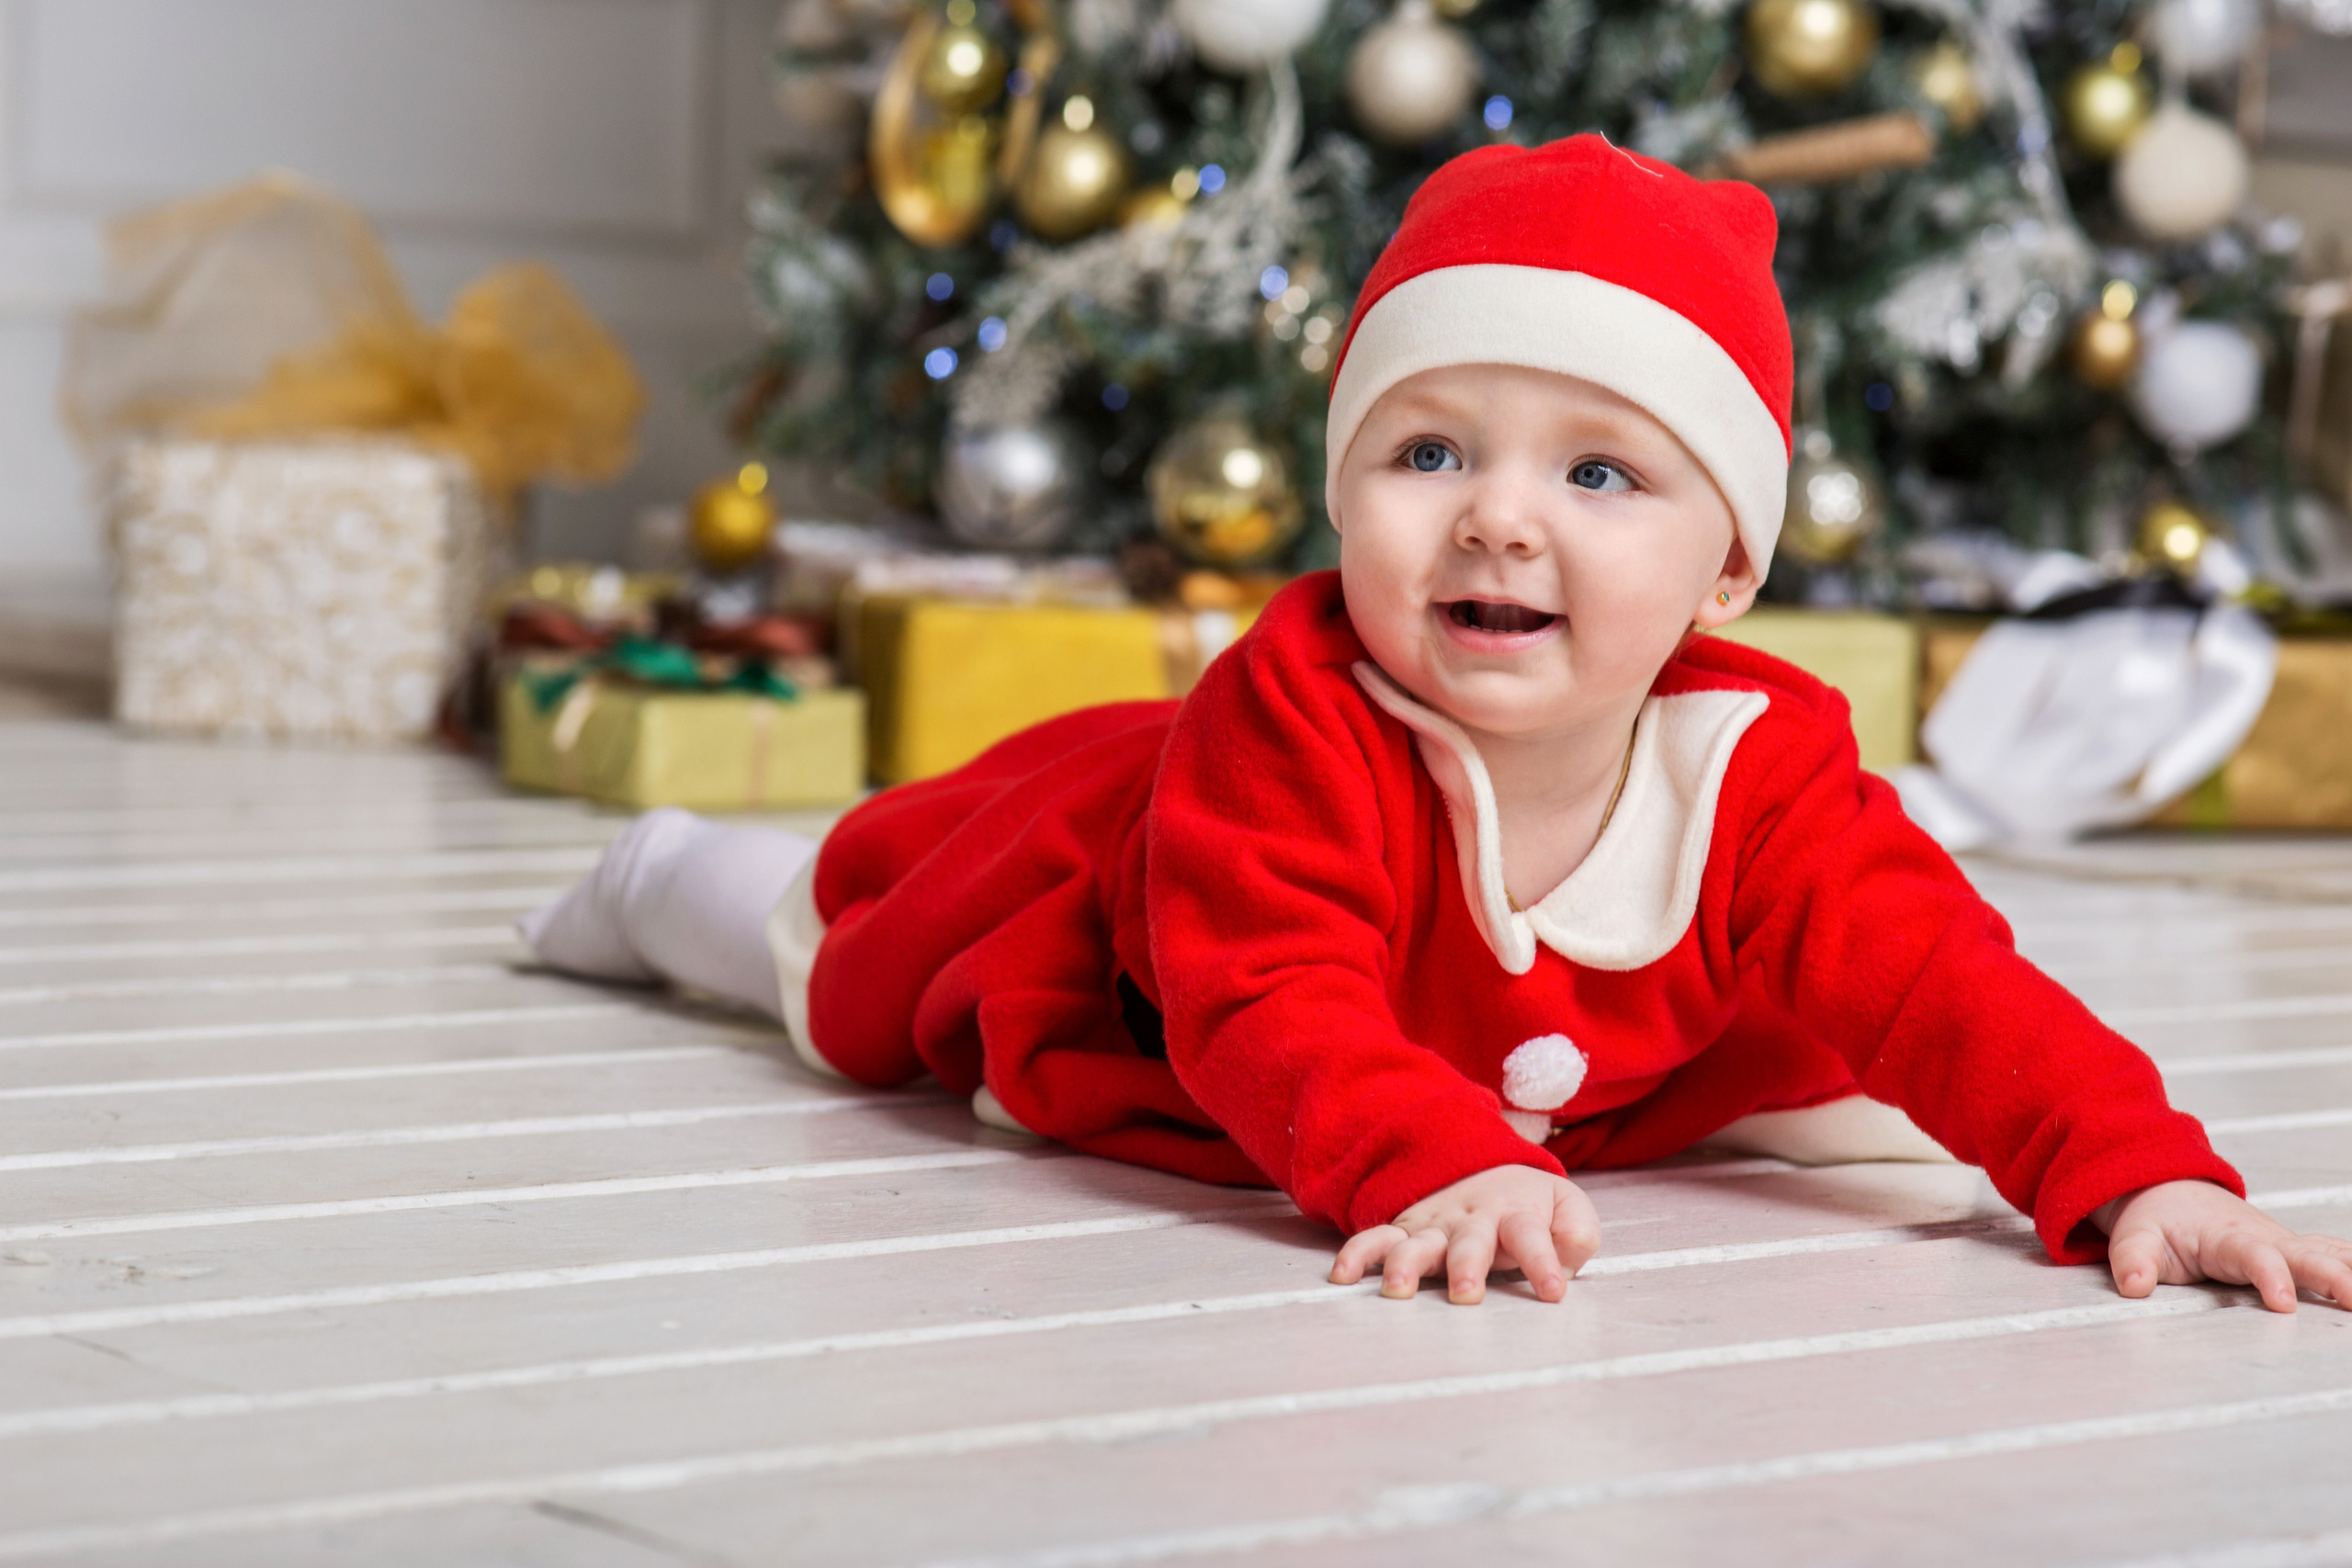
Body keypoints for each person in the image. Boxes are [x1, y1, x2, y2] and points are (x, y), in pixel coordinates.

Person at [522, 135, 2352, 1314]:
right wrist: (1435, 1153)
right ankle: (661, 872)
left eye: (1598, 472)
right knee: (842, 954)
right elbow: (1267, 998)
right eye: (1426, 450)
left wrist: (2138, 1165)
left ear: (1725, 574)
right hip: (1122, 918)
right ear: (1342, 497)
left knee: (1857, 1075)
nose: (1495, 516)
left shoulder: (1758, 765)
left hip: (1540, 1071)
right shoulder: (1292, 717)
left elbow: (1942, 978)